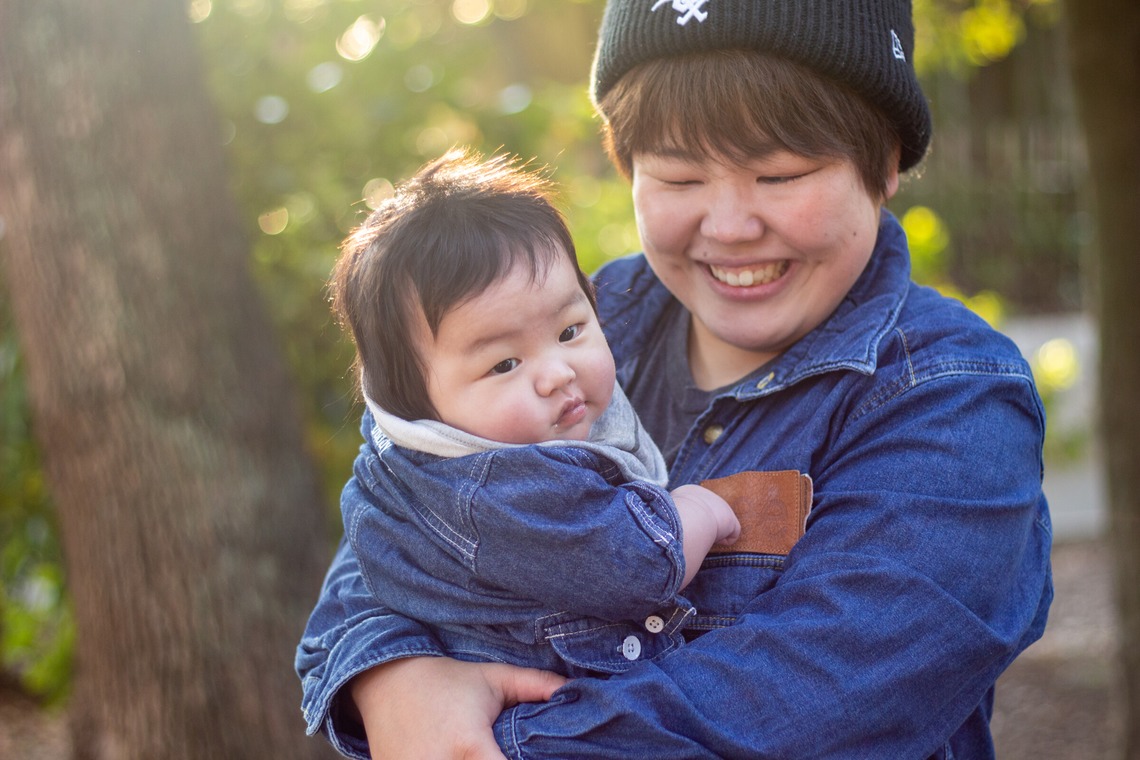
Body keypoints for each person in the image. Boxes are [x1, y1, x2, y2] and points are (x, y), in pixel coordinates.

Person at [296, 0, 1054, 757]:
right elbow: (392, 521)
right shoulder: (573, 328)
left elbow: (812, 703)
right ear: (625, 165)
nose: (728, 225)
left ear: (886, 161)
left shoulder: (952, 399)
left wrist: (491, 739)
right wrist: (391, 675)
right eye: (680, 177)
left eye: (779, 173)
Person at [325, 148, 740, 680]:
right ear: (417, 403)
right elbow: (635, 566)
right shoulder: (497, 489)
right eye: (504, 364)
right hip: (548, 700)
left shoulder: (412, 449)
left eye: (570, 332)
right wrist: (696, 510)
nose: (557, 374)